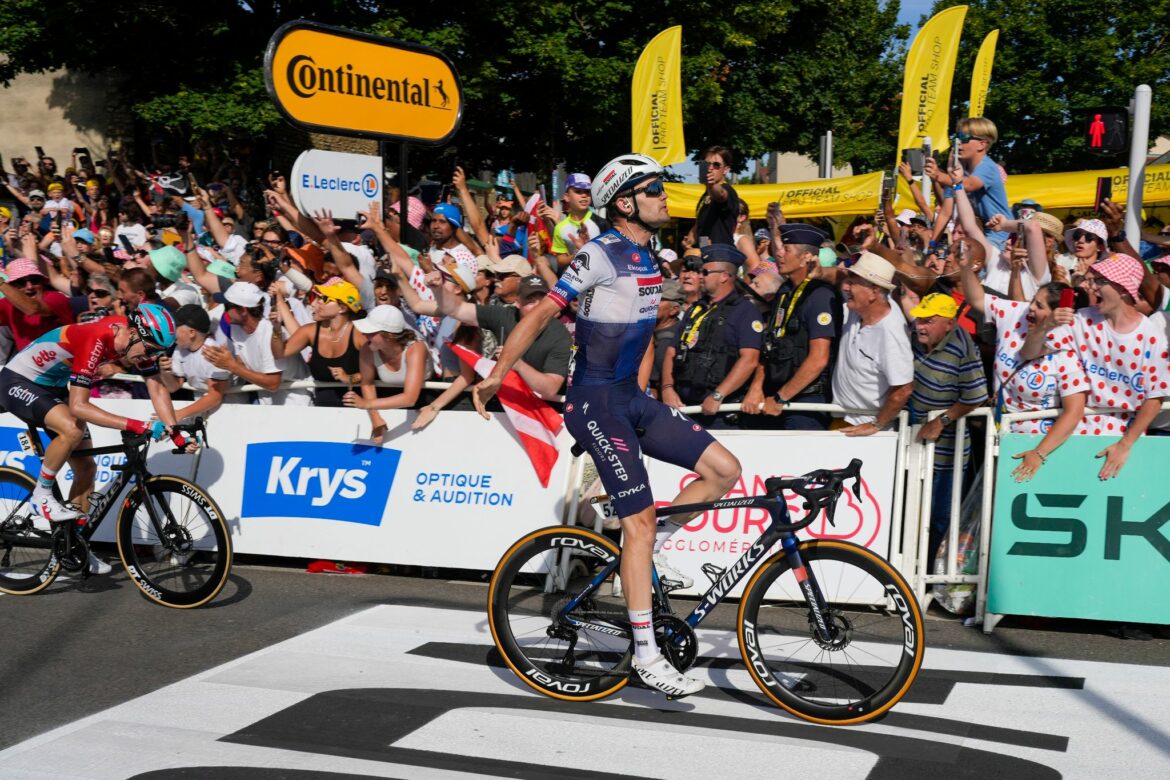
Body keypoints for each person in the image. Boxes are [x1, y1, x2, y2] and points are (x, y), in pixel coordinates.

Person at [472, 153, 741, 698]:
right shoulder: (598, 254)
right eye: (654, 190)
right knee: (636, 524)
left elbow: (638, 334)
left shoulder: (652, 256)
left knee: (724, 470)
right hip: (595, 404)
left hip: (630, 399)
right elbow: (540, 315)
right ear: (625, 202)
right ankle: (646, 654)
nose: (666, 197)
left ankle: (646, 547)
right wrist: (497, 375)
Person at [0, 303, 193, 571]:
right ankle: (41, 495)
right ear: (135, 333)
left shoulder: (135, 341)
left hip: (52, 386)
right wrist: (136, 424)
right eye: (149, 350)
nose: (149, 357)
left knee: (86, 468)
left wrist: (175, 431)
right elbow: (79, 407)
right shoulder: (98, 338)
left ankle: (73, 543)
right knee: (72, 428)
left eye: (158, 353)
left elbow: (158, 388)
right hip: (18, 381)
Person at [1023, 254, 1170, 474]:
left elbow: (1156, 396)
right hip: (1074, 430)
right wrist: (1047, 326)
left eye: (1100, 282)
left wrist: (1125, 444)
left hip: (1123, 436)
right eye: (1092, 280)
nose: (1091, 288)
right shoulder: (1081, 319)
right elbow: (1029, 353)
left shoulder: (1151, 335)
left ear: (1123, 288)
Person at [907, 292, 989, 568]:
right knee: (908, 511)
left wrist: (941, 420)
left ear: (949, 323)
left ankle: (932, 574)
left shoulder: (962, 346)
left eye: (929, 321)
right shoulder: (912, 337)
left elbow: (976, 394)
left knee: (940, 515)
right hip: (909, 441)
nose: (921, 325)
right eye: (920, 319)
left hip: (946, 448)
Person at [744, 223, 841, 430]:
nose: (779, 253)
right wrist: (756, 387)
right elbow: (769, 345)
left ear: (806, 257)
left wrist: (781, 398)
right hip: (775, 397)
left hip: (805, 401)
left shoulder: (821, 295)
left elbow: (819, 358)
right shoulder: (785, 291)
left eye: (786, 250)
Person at [661, 244, 763, 428]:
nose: (700, 276)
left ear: (724, 276)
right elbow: (671, 351)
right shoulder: (696, 309)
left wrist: (718, 395)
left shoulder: (745, 311)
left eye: (705, 272)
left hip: (720, 413)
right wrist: (667, 389)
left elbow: (750, 360)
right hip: (685, 407)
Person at [831, 252, 914, 434]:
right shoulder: (859, 308)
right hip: (843, 419)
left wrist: (876, 425)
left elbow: (903, 389)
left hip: (866, 431)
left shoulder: (891, 333)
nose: (847, 288)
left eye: (853, 283)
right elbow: (832, 275)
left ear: (874, 292)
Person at [202, 281, 313, 405]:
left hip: (296, 400)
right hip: (266, 398)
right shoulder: (235, 328)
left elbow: (273, 383)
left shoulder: (269, 333)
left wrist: (231, 365)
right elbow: (241, 365)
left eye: (227, 307)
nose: (224, 312)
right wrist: (221, 359)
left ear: (243, 311)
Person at [343, 305, 432, 443]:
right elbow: (367, 383)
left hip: (426, 402)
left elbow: (410, 398)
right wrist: (375, 419)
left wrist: (366, 404)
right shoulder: (367, 349)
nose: (364, 334)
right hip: (387, 402)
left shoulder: (416, 348)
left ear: (389, 335)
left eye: (371, 331)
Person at [271, 280, 365, 407]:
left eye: (325, 298)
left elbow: (376, 371)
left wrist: (349, 378)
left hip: (356, 410)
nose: (318, 302)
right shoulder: (310, 331)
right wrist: (276, 328)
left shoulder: (359, 334)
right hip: (321, 411)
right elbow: (280, 353)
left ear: (342, 308)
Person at [923, 116, 1012, 250]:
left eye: (964, 138)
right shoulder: (959, 171)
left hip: (1000, 235)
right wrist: (932, 246)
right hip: (979, 233)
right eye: (957, 137)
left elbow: (969, 185)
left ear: (982, 144)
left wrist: (938, 175)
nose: (958, 142)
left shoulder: (988, 166)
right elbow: (945, 213)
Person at [160, 304, 233, 421]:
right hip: (200, 409)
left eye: (176, 326)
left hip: (230, 409)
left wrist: (180, 414)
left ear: (192, 332)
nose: (171, 330)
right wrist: (165, 372)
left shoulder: (213, 351)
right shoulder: (179, 349)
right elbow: (173, 387)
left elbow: (215, 396)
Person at [550, 173, 608, 270]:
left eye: (587, 191)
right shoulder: (560, 228)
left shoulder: (601, 223)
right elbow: (560, 260)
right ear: (567, 197)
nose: (584, 195)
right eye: (578, 191)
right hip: (573, 280)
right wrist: (575, 256)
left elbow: (613, 252)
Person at [687, 146, 740, 248]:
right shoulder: (705, 196)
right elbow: (700, 225)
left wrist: (711, 185)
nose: (710, 168)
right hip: (706, 252)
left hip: (721, 254)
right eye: (707, 164)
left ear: (726, 170)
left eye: (716, 165)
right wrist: (689, 241)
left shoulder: (728, 190)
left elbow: (721, 195)